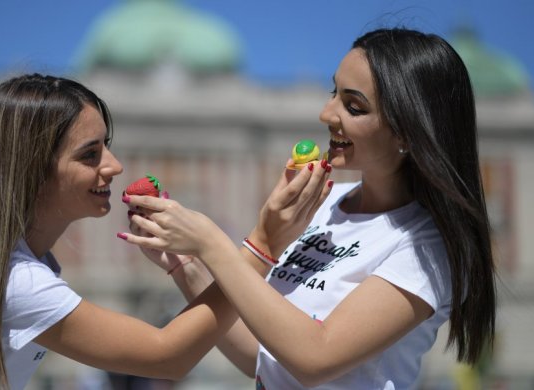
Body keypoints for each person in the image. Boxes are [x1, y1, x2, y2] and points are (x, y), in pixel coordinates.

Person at [0, 74, 333, 389]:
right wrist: (263, 242)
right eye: (90, 155)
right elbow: (167, 355)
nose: (114, 166)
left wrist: (186, 268)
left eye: (106, 146)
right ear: (33, 171)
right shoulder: (17, 280)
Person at [119, 27, 497, 389]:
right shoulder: (326, 202)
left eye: (353, 106)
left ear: (406, 132)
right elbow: (266, 354)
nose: (326, 113)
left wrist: (211, 244)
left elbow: (315, 358)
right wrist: (185, 265)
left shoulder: (425, 245)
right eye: (334, 93)